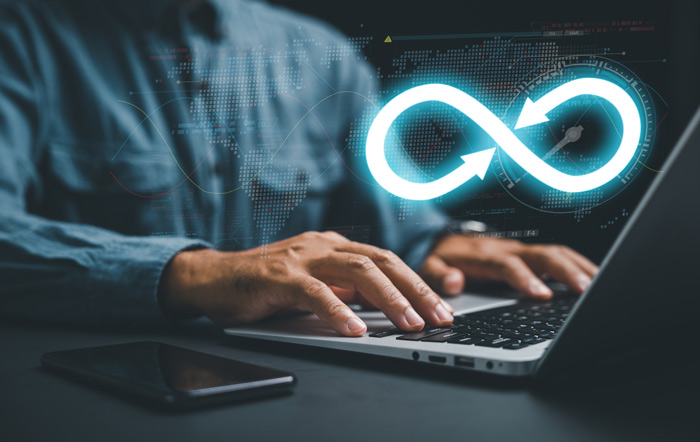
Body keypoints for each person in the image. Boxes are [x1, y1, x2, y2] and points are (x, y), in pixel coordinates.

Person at [0, 0, 598, 336]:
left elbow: (392, 227)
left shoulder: (324, 57)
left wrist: (444, 243)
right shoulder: (19, 35)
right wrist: (203, 275)